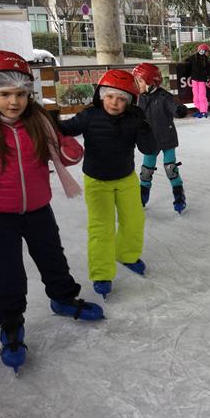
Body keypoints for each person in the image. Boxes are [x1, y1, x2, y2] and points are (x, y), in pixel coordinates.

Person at [0, 50, 103, 373]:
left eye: (21, 94)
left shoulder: (39, 121)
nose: (14, 102)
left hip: (37, 208)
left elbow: (68, 152)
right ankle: (10, 323)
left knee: (53, 258)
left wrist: (68, 148)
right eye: (5, 94)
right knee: (7, 274)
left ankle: (62, 298)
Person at [59, 70, 157, 300]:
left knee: (134, 220)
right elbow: (65, 129)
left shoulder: (135, 119)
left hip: (125, 179)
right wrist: (45, 122)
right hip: (97, 181)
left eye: (122, 99)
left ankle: (127, 254)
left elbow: (149, 149)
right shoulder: (89, 116)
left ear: (129, 102)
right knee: (101, 228)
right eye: (111, 96)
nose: (115, 102)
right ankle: (102, 273)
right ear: (101, 96)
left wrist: (144, 127)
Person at [132, 62, 189, 213]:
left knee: (170, 168)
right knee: (146, 170)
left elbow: (174, 108)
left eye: (140, 81)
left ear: (151, 81)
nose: (137, 84)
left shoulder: (165, 97)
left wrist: (180, 110)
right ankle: (142, 197)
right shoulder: (140, 98)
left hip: (166, 138)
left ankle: (179, 196)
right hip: (149, 139)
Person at [184, 43, 210, 118]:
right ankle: (199, 109)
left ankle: (203, 111)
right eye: (207, 51)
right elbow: (186, 60)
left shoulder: (207, 60)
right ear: (202, 51)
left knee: (202, 96)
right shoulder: (193, 58)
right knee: (196, 96)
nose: (209, 53)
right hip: (195, 80)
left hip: (202, 80)